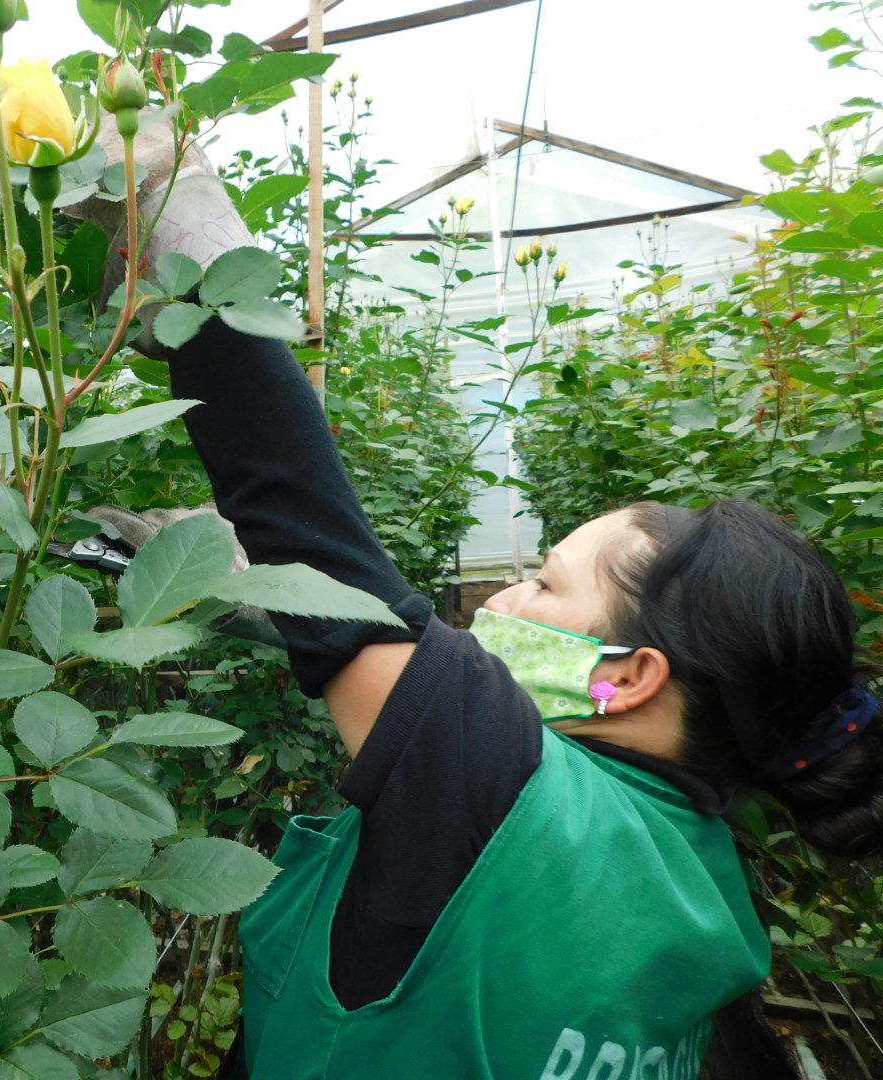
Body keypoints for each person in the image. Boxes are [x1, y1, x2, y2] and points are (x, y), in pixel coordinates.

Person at [71, 110, 883, 1080]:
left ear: (625, 678)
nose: (495, 605)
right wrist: (290, 607)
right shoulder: (703, 876)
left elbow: (298, 510)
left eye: (544, 582)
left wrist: (181, 234)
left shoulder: (499, 788)